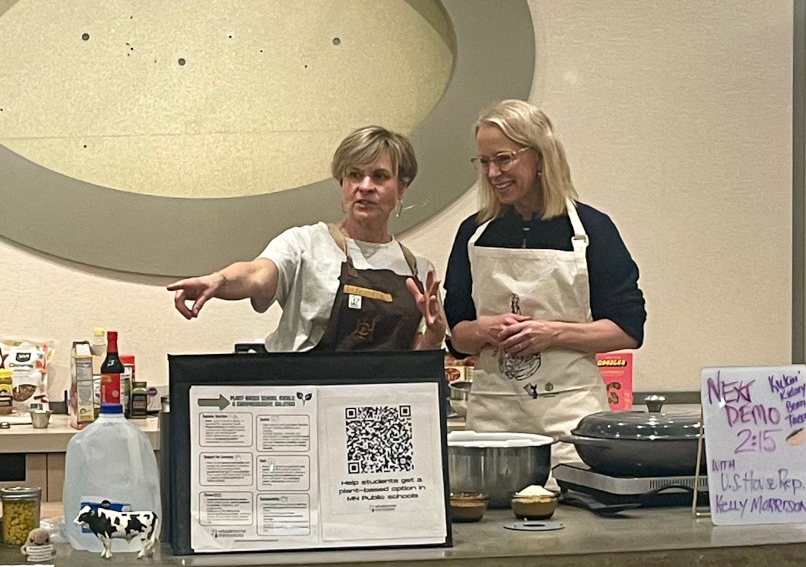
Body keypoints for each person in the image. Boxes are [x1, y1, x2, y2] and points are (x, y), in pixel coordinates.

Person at [443, 99, 645, 470]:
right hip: (493, 422)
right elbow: (457, 337)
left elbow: (627, 330)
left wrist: (551, 334)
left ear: (539, 157)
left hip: (570, 424)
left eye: (503, 159)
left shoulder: (592, 231)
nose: (492, 173)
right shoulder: (474, 234)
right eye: (484, 162)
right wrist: (482, 330)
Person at [168, 126, 446, 353]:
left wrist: (434, 336)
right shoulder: (306, 244)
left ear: (402, 188)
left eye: (379, 176)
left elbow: (414, 363)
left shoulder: (418, 270)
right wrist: (220, 281)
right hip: (304, 404)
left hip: (375, 408)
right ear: (342, 183)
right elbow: (257, 275)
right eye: (354, 175)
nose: (365, 186)